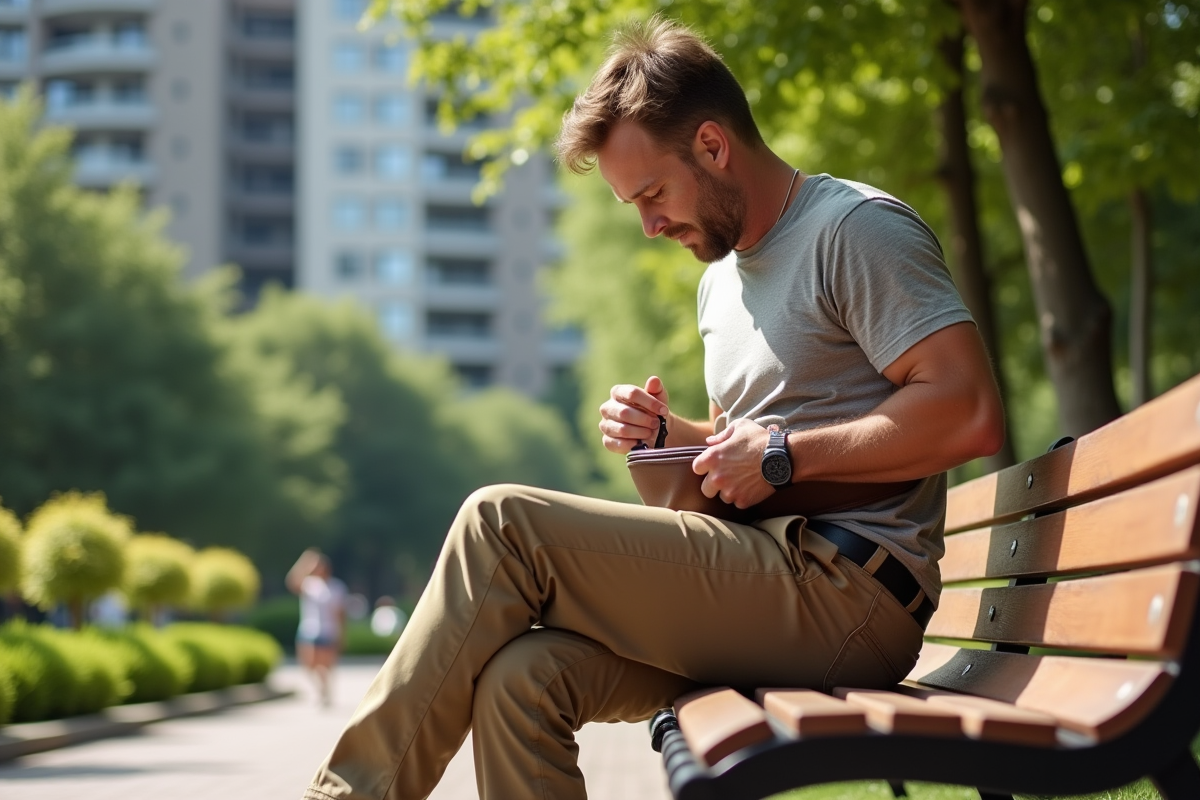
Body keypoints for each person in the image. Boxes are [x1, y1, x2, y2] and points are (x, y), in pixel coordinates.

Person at [303, 17, 1004, 800]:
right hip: (761, 578)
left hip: (847, 595)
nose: (649, 225)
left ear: (712, 146)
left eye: (653, 194)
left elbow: (968, 411)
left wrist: (781, 454)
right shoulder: (720, 283)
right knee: (522, 676)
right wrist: (673, 438)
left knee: (500, 523)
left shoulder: (855, 231)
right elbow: (739, 458)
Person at [287, 548, 347, 708]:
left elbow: (341, 614)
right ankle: (322, 688)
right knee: (308, 663)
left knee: (325, 665)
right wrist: (304, 561)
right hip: (308, 629)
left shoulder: (337, 587)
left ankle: (325, 690)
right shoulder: (310, 584)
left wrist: (342, 635)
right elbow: (291, 581)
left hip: (328, 631)